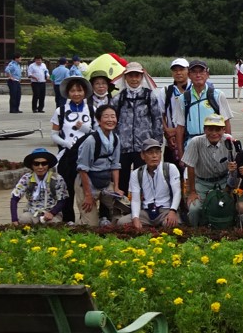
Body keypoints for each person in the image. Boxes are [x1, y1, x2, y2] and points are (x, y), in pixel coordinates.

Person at [112, 61, 164, 190]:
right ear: (126, 77)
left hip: (144, 145)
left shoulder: (149, 95)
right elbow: (112, 121)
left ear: (141, 77)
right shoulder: (119, 98)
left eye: (137, 75)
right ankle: (123, 206)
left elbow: (157, 119)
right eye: (131, 76)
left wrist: (157, 143)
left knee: (144, 178)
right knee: (123, 178)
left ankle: (144, 205)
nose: (134, 79)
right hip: (123, 146)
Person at [181, 113, 238, 227]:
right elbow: (190, 166)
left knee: (228, 205)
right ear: (204, 129)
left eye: (218, 129)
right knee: (194, 208)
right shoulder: (195, 142)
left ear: (223, 129)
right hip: (202, 182)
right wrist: (192, 192)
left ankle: (227, 230)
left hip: (223, 181)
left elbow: (237, 163)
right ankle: (195, 233)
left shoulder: (229, 141)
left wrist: (232, 170)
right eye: (210, 129)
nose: (214, 133)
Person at [51, 75, 94, 223]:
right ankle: (68, 218)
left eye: (79, 90)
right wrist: (66, 144)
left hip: (86, 155)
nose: (76, 93)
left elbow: (96, 132)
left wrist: (84, 128)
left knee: (84, 188)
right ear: (68, 93)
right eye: (73, 91)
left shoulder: (92, 109)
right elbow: (54, 134)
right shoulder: (60, 111)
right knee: (67, 188)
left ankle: (86, 218)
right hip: (67, 155)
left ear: (85, 92)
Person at [76, 103, 123, 227]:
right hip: (87, 181)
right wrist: (88, 195)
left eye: (113, 116)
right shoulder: (91, 140)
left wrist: (116, 187)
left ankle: (107, 221)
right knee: (91, 225)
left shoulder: (116, 139)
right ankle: (85, 221)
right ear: (98, 120)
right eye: (106, 117)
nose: (110, 120)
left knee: (124, 206)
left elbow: (115, 165)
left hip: (105, 181)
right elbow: (82, 169)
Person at [122, 139, 182, 230]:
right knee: (122, 222)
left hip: (165, 210)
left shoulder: (170, 168)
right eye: (150, 153)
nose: (154, 156)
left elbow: (177, 192)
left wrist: (173, 211)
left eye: (157, 152)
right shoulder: (136, 173)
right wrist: (135, 218)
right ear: (142, 155)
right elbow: (135, 199)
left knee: (171, 224)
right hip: (146, 212)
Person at [173, 59, 233, 149]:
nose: (198, 75)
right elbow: (180, 127)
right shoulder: (183, 98)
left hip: (215, 145)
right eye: (194, 72)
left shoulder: (218, 95)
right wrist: (181, 153)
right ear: (189, 75)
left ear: (207, 75)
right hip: (191, 146)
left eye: (201, 71)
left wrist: (228, 148)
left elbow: (226, 122)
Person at [10, 148, 68, 225]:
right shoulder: (27, 178)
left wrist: (52, 213)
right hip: (32, 213)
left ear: (48, 165)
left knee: (53, 224)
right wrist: (14, 219)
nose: (40, 167)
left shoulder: (57, 179)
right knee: (24, 220)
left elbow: (62, 200)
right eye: (36, 164)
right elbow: (14, 198)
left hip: (51, 213)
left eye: (44, 163)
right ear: (32, 165)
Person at [162, 57, 191, 167]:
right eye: (175, 70)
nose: (178, 73)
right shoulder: (165, 91)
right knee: (170, 173)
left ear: (188, 71)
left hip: (189, 138)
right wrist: (167, 131)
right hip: (171, 141)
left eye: (181, 69)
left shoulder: (194, 90)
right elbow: (161, 114)